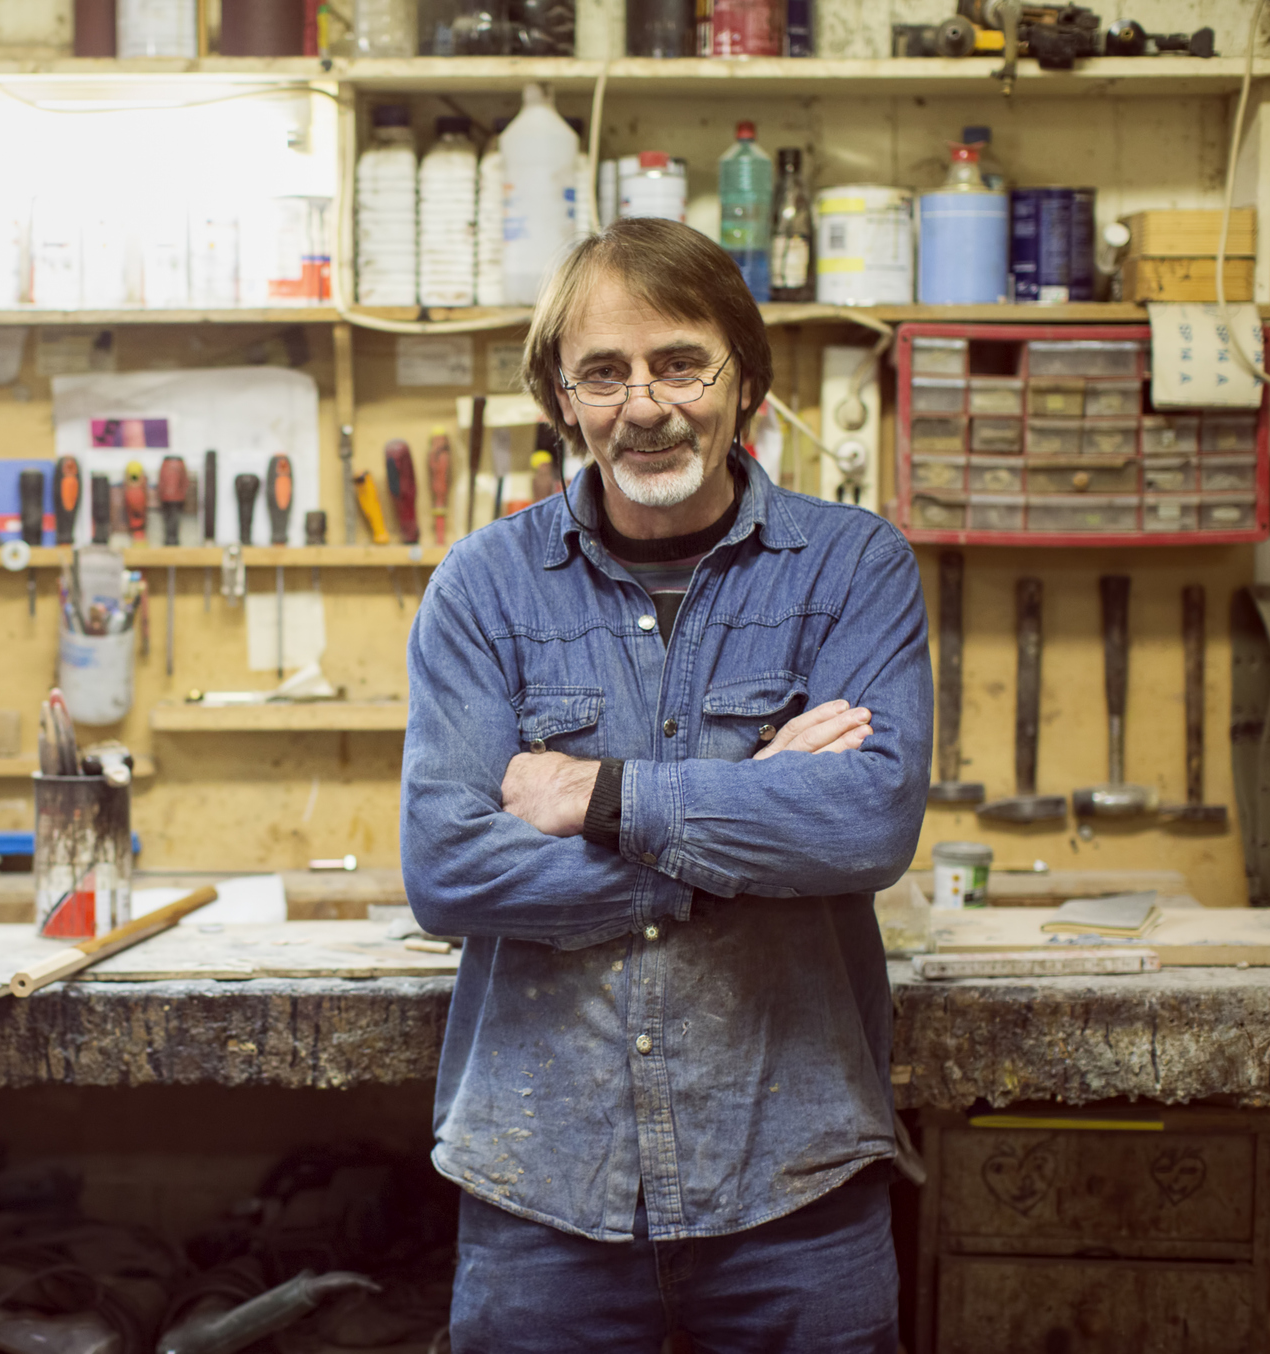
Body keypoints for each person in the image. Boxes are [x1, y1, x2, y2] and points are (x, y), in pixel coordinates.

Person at [400, 217, 932, 1353]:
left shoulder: (852, 566)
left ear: (745, 383)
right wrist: (743, 825)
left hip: (795, 1184)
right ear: (562, 400)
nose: (644, 405)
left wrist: (597, 797)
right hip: (540, 1187)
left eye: (680, 362)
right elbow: (446, 868)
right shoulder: (483, 587)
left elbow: (866, 822)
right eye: (603, 372)